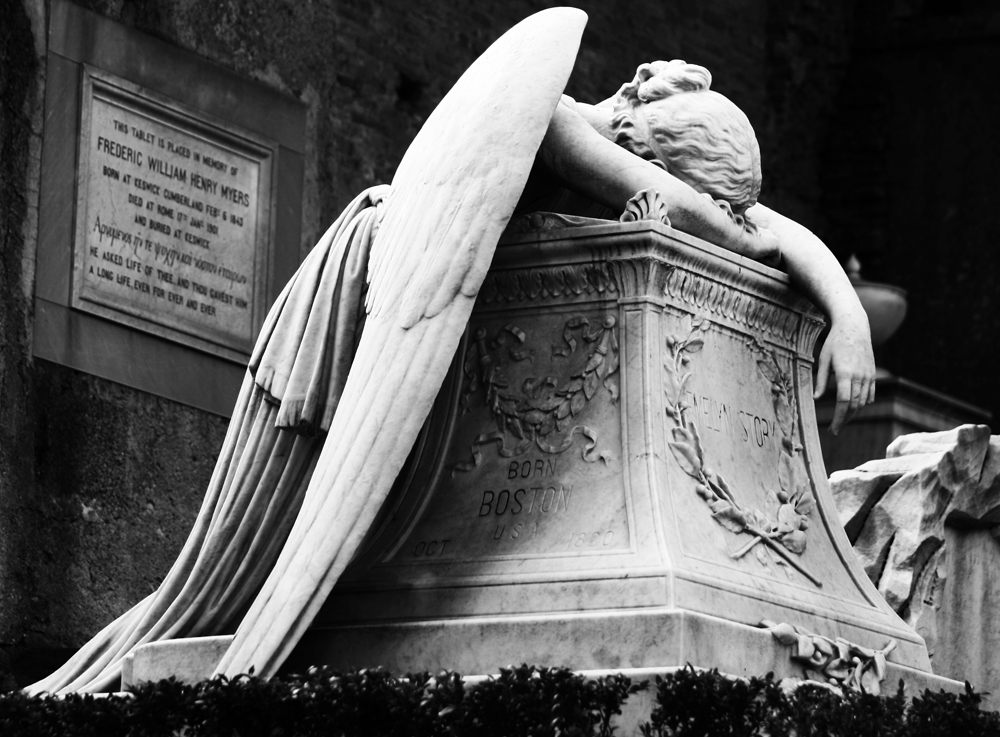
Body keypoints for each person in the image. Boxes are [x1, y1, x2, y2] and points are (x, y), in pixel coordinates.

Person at [27, 25, 873, 694]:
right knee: (294, 511)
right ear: (645, 147)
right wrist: (725, 228)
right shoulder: (546, 110)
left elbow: (766, 227)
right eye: (663, 169)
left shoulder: (645, 163)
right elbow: (725, 221)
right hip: (382, 281)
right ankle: (243, 616)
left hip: (433, 290)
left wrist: (848, 317)